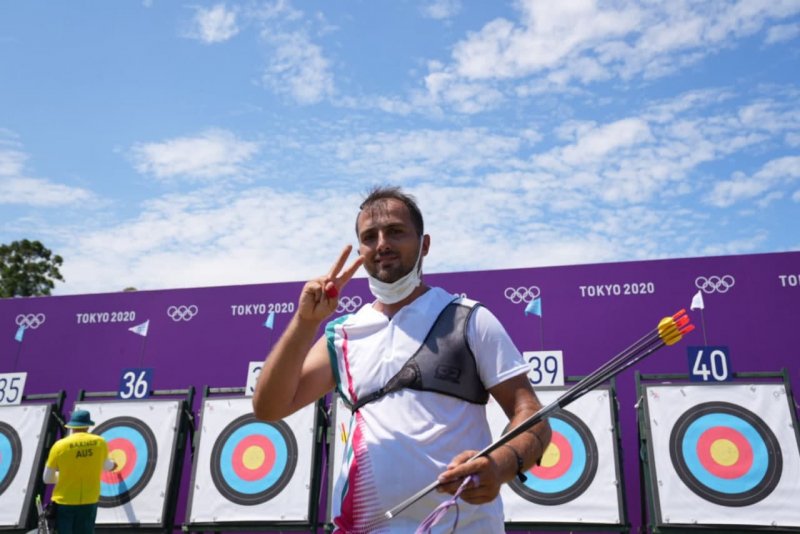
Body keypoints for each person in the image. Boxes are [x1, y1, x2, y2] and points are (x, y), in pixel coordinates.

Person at [253, 186, 551, 532]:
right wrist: (305, 323)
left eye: (395, 231)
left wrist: (498, 466)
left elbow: (533, 417)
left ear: (424, 245)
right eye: (369, 237)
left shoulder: (468, 318)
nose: (382, 244)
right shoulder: (342, 334)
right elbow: (269, 408)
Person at [43, 409, 117, 534]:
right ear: (88, 425)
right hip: (89, 500)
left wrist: (66, 475)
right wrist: (114, 464)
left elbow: (47, 478)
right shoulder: (100, 442)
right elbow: (106, 465)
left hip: (64, 501)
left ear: (71, 426)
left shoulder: (59, 446)